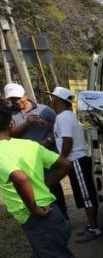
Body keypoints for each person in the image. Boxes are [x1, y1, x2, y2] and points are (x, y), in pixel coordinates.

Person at [0, 101, 93, 258]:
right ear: (11, 124)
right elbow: (64, 164)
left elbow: (20, 179)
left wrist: (34, 208)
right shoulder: (28, 146)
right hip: (45, 218)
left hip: (40, 218)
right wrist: (44, 185)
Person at [5, 82, 66, 218]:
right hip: (25, 159)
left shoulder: (44, 110)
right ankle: (40, 214)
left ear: (25, 95)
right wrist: (27, 123)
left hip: (46, 155)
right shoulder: (9, 115)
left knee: (53, 186)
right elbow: (9, 135)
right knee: (32, 188)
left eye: (17, 98)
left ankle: (63, 215)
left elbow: (59, 129)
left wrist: (48, 140)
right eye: (11, 99)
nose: (15, 102)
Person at [49, 86, 102, 243]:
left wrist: (61, 159)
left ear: (58, 101)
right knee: (84, 194)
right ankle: (91, 225)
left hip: (76, 159)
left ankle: (94, 228)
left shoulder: (63, 117)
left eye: (53, 98)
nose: (51, 101)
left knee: (86, 196)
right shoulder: (67, 116)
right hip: (77, 159)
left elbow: (67, 140)